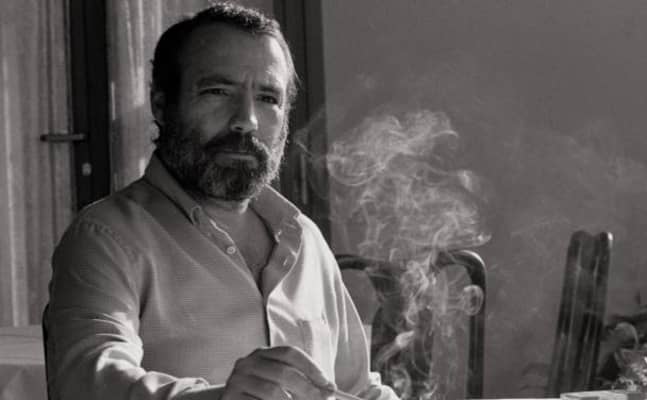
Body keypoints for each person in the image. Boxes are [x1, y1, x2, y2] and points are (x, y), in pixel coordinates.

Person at [43, 3, 398, 400]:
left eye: (268, 98)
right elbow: (87, 381)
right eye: (217, 91)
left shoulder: (304, 239)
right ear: (161, 105)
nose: (246, 120)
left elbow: (355, 389)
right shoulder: (106, 238)